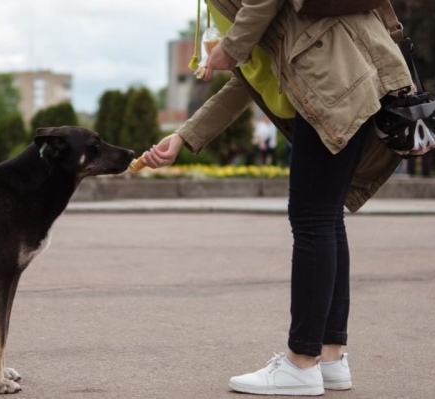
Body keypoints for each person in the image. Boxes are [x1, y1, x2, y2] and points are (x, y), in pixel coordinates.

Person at [140, 0, 415, 395]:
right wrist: (184, 136)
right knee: (325, 217)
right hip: (342, 78)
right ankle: (329, 355)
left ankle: (301, 364)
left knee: (312, 219)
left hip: (334, 80)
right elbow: (249, 80)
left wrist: (230, 48)